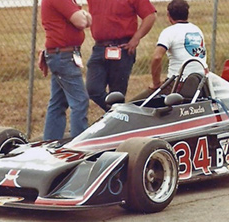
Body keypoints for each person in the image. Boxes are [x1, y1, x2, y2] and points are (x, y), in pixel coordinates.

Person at [85, 0, 157, 111]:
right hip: (100, 48)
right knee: (93, 89)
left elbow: (150, 15)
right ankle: (119, 113)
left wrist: (136, 38)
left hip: (123, 48)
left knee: (117, 93)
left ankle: (117, 115)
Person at [133, 0, 207, 100]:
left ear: (168, 15)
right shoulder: (197, 30)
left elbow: (157, 57)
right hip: (200, 84)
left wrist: (156, 83)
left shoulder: (169, 32)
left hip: (178, 83)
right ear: (187, 14)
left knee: (132, 104)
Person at [40, 0, 92, 140]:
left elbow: (88, 20)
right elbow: (82, 22)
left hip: (62, 55)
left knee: (58, 102)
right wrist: (82, 15)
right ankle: (80, 147)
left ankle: (50, 142)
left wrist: (81, 14)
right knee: (80, 101)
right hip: (63, 56)